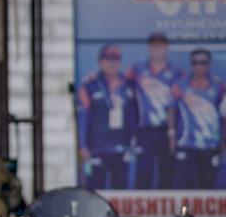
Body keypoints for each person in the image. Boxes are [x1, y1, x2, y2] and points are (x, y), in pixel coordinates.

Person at [77, 45, 139, 189]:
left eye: (116, 59)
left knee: (121, 193)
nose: (112, 63)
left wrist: (133, 141)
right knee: (95, 191)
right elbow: (83, 117)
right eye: (108, 59)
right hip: (97, 148)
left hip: (122, 148)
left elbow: (135, 116)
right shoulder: (89, 85)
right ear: (100, 62)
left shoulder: (129, 85)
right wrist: (83, 145)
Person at [126, 33, 181, 189]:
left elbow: (179, 104)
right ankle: (141, 212)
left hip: (167, 130)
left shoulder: (176, 73)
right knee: (144, 172)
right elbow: (120, 85)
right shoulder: (137, 70)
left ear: (166, 48)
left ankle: (168, 211)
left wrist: (173, 133)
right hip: (145, 130)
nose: (157, 49)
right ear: (149, 48)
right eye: (154, 46)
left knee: (167, 171)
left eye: (160, 45)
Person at [169, 49, 226, 190]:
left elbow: (224, 116)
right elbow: (171, 110)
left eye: (203, 63)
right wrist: (171, 135)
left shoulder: (219, 86)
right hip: (186, 145)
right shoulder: (180, 85)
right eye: (195, 63)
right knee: (184, 188)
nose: (199, 66)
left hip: (210, 146)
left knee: (207, 187)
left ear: (209, 64)